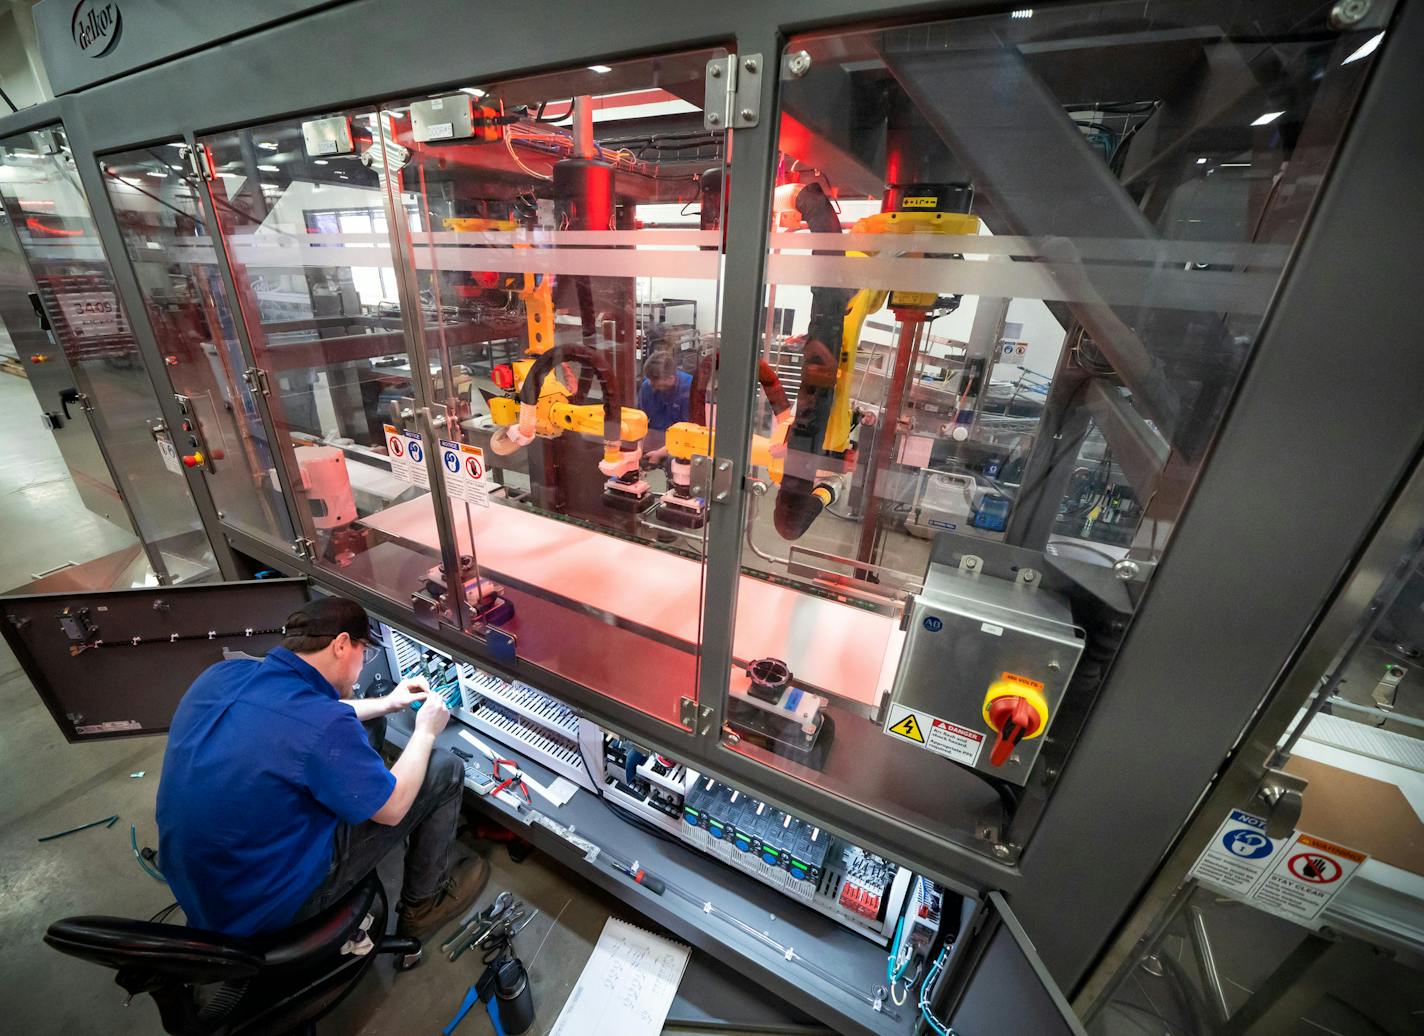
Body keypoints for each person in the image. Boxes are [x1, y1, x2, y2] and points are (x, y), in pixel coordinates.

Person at [156, 597, 487, 938]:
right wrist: (425, 730)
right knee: (444, 768)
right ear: (342, 645)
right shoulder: (322, 725)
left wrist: (387, 704)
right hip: (269, 907)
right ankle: (424, 906)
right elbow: (393, 810)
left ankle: (363, 794)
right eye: (365, 653)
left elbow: (301, 716)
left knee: (368, 726)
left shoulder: (223, 674)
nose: (363, 666)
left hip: (207, 887)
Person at [636, 349, 692, 462]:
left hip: (682, 446)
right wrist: (638, 450)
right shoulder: (647, 387)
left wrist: (660, 453)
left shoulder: (689, 389)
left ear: (671, 378)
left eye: (656, 381)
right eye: (649, 379)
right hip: (654, 440)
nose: (651, 384)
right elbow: (640, 422)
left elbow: (691, 433)